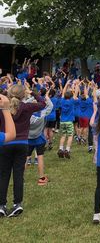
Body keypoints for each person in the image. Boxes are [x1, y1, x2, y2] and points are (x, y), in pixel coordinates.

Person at [0, 83, 46, 217]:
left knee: (3, 174)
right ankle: (17, 204)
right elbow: (43, 103)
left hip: (5, 142)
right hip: (22, 143)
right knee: (18, 174)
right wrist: (33, 93)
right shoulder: (27, 107)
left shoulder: (3, 109)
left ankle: (1, 205)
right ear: (23, 95)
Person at [27, 91, 53, 186]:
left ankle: (20, 177)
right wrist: (46, 97)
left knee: (26, 157)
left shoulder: (27, 114)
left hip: (28, 138)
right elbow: (50, 106)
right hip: (39, 138)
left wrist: (31, 99)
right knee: (40, 157)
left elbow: (23, 104)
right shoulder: (43, 113)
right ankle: (41, 178)